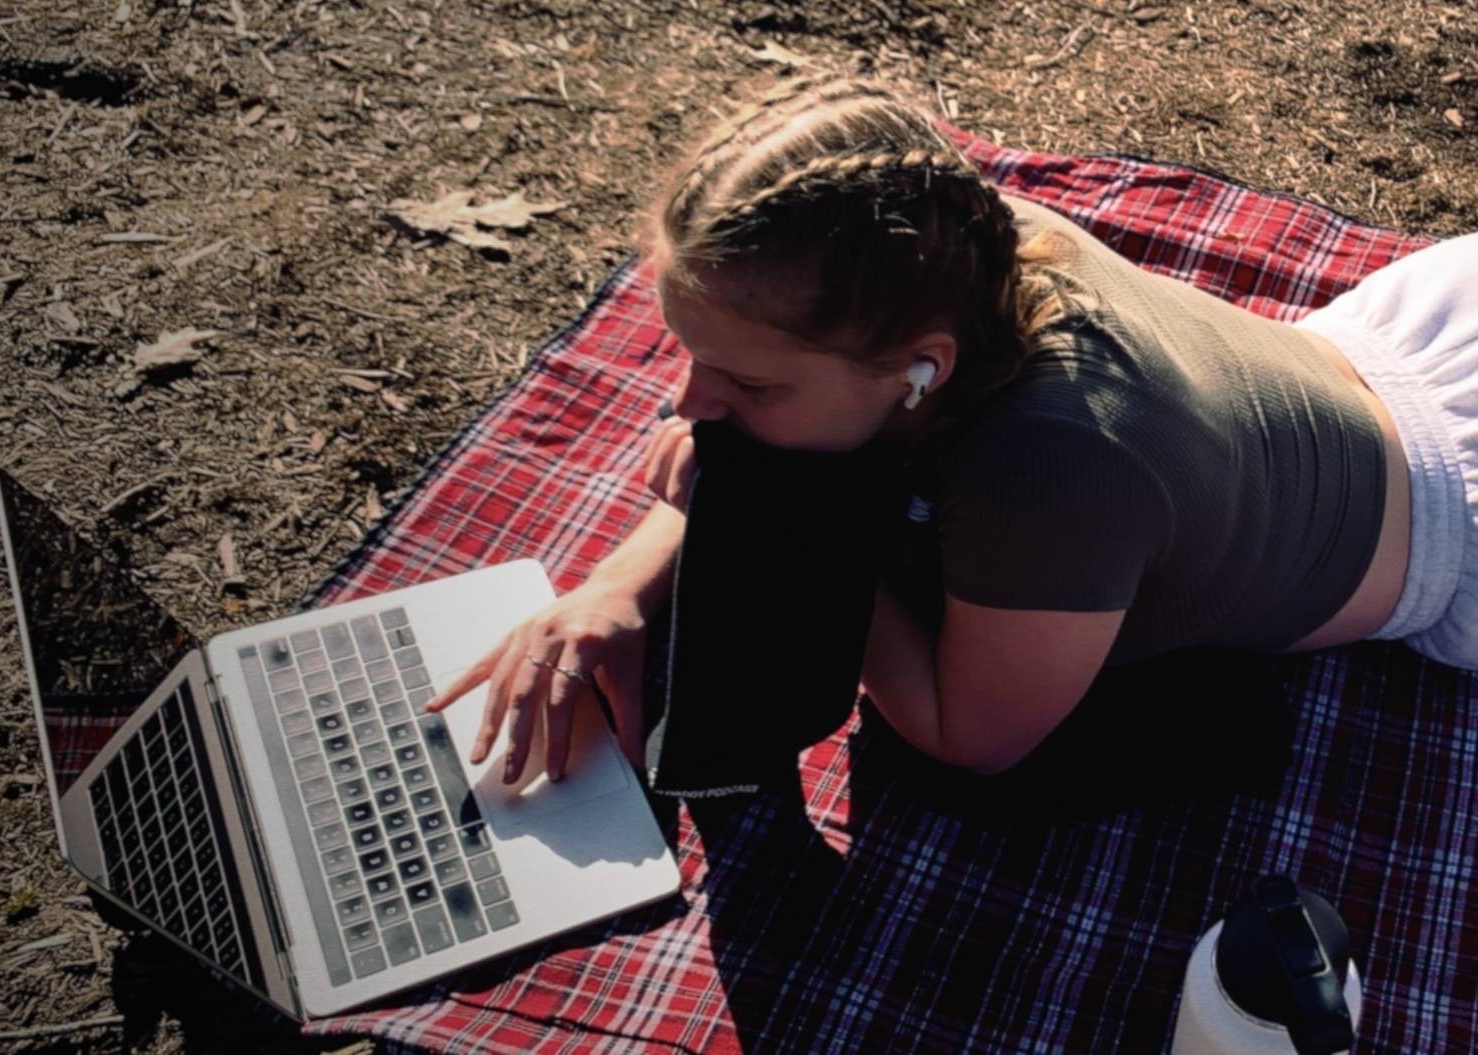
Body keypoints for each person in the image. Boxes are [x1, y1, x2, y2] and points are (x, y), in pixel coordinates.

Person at [425, 74, 1478, 789]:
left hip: (1451, 532)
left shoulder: (1047, 471)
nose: (689, 404)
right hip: (1402, 347)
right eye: (689, 358)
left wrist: (799, 539)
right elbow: (771, 440)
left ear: (919, 368)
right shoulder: (956, 256)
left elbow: (969, 736)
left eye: (745, 378)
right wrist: (620, 586)